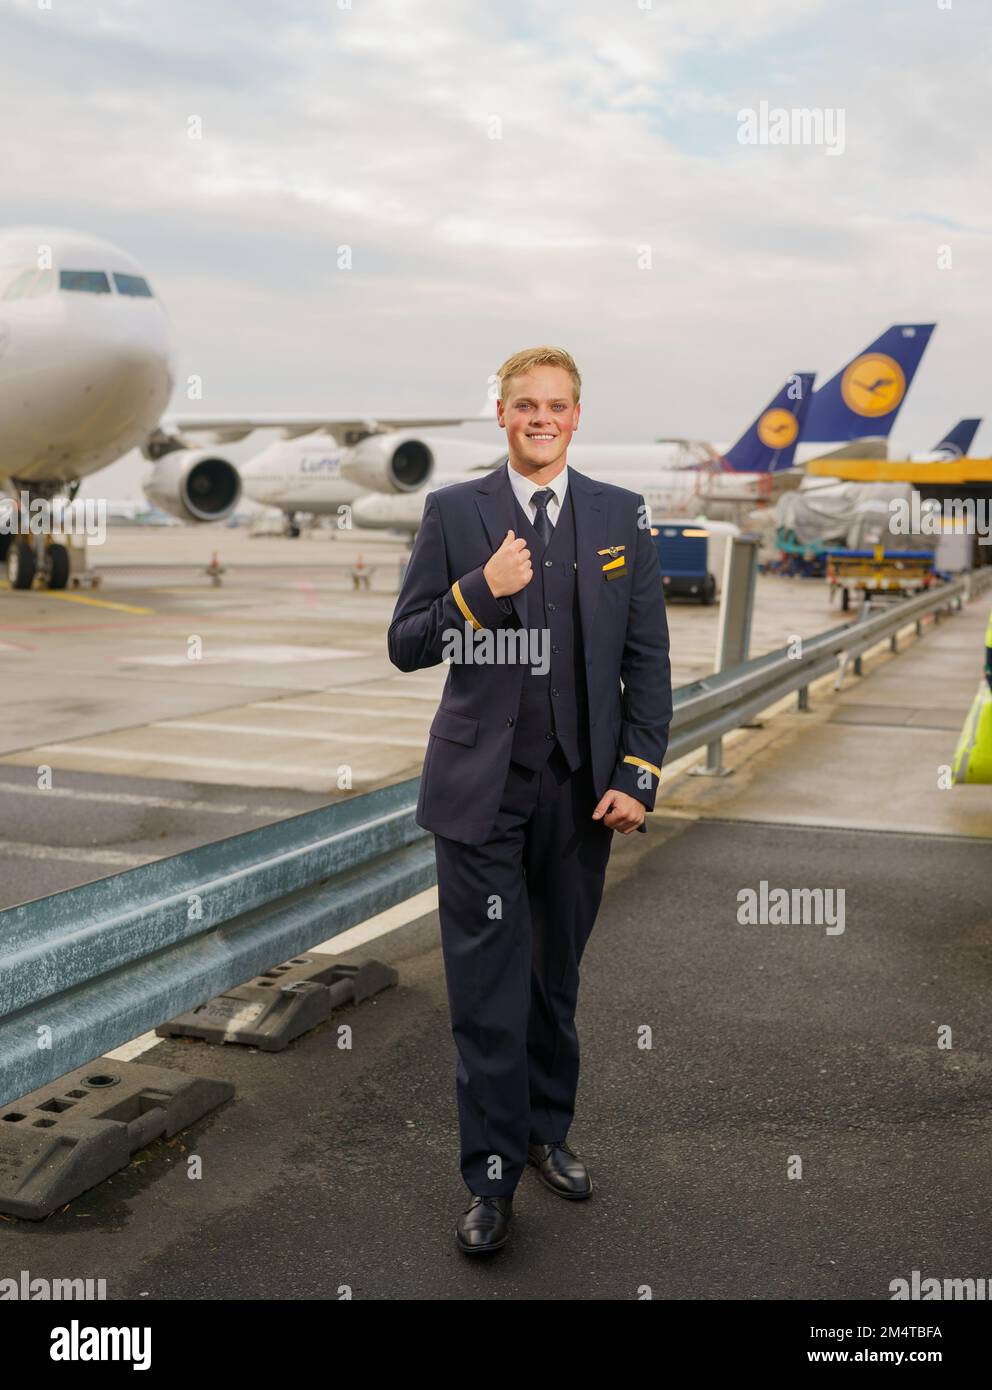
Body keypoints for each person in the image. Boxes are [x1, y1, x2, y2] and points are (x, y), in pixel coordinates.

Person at [387, 346, 672, 1253]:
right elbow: (406, 642)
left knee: (554, 981)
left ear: (576, 416)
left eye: (555, 406)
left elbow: (647, 660)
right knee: (485, 991)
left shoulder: (619, 514)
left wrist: (639, 772)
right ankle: (492, 1179)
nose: (539, 418)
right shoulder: (453, 512)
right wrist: (479, 592)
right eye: (523, 405)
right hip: (480, 795)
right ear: (500, 415)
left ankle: (548, 1131)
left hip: (582, 795)